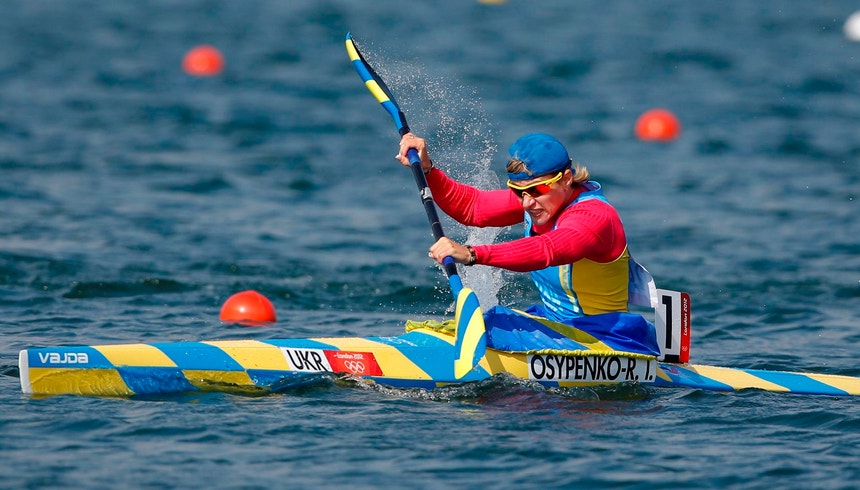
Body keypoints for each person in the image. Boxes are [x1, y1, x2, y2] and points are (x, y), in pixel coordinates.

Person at [396, 132, 660, 356]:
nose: (526, 203)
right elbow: (473, 208)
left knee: (490, 323)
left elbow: (547, 250)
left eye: (535, 191)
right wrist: (428, 169)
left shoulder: (595, 218)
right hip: (558, 330)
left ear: (566, 179)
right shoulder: (540, 196)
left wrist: (472, 254)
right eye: (518, 192)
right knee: (463, 326)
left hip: (605, 341)